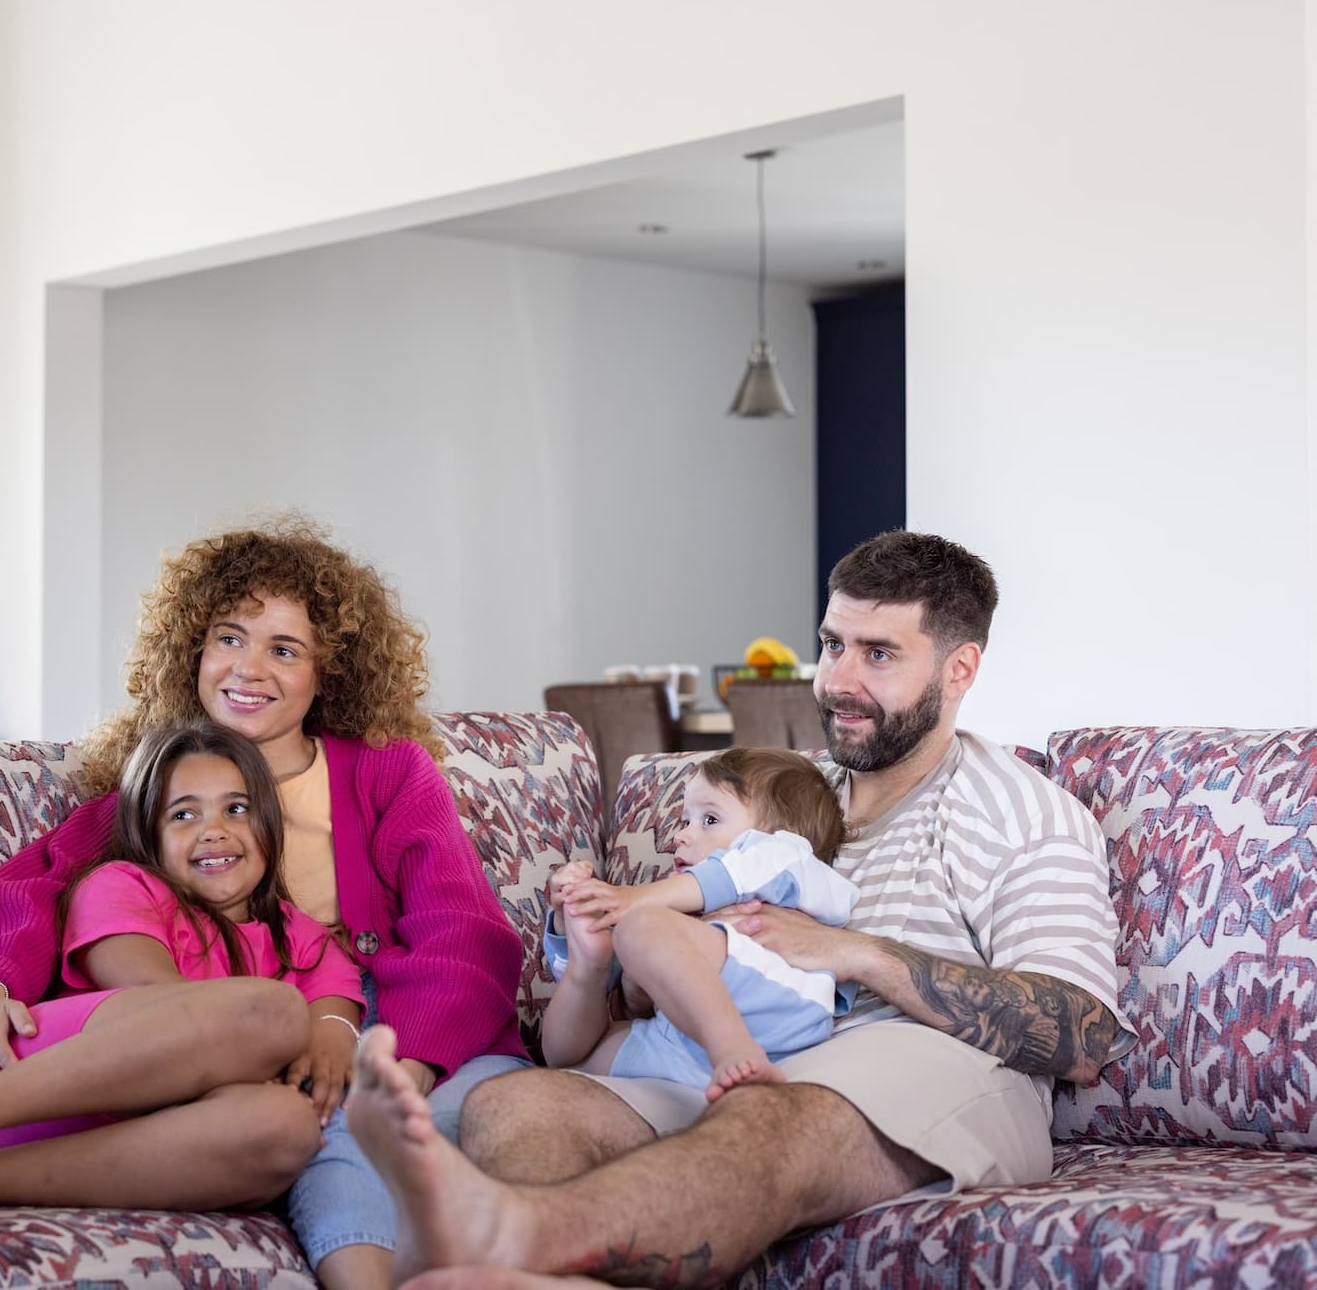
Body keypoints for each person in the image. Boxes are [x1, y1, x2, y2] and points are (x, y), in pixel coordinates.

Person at [344, 530, 1132, 1287]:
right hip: (739, 1054)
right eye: (832, 645)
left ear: (960, 670)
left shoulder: (1019, 811)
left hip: (921, 1068)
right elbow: (652, 977)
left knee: (771, 1117)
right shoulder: (778, 791)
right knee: (519, 1104)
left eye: (879, 654)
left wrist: (852, 952)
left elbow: (1081, 1034)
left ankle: (514, 1236)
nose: (838, 681)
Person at [0, 520, 528, 1289]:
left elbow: (461, 931)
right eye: (230, 638)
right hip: (242, 1029)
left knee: (355, 1129)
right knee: (316, 1124)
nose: (250, 668)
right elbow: (31, 887)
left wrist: (405, 1065)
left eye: (284, 649)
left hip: (393, 1022)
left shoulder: (387, 773)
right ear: (194, 650)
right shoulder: (160, 790)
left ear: (330, 672)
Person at [0, 721, 363, 1224]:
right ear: (148, 834)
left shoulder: (300, 936)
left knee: (290, 1126)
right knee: (272, 1013)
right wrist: (262, 1048)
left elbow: (334, 1015)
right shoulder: (122, 885)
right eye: (183, 815)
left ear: (270, 823)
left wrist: (332, 1038)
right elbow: (153, 996)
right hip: (54, 1085)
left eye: (237, 808)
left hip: (148, 1136)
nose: (215, 831)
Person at [541, 747, 854, 1100]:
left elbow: (730, 875)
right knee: (570, 1061)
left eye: (709, 820)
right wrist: (577, 920)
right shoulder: (676, 914)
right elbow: (565, 1051)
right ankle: (590, 966)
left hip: (771, 1014)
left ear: (785, 832)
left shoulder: (788, 857)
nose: (682, 835)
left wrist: (632, 900)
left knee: (640, 927)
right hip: (684, 1045)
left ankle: (734, 1051)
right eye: (685, 820)